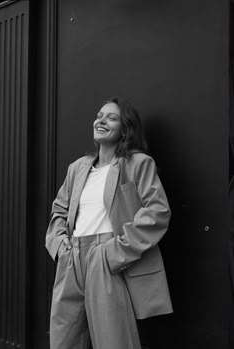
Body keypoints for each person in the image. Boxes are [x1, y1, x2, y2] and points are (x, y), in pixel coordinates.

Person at [46, 96, 173, 349]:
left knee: (113, 341)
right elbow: (59, 210)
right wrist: (60, 247)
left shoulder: (138, 163)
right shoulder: (78, 168)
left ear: (125, 129)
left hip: (106, 258)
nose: (101, 120)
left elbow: (158, 211)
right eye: (99, 115)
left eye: (111, 117)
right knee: (63, 341)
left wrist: (115, 251)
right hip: (72, 258)